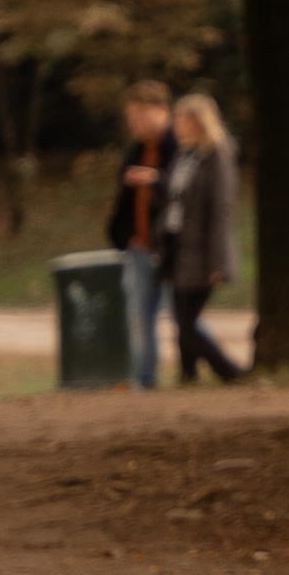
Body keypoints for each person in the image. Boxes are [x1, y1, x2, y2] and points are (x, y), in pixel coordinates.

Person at [161, 90, 244, 384]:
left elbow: (221, 210)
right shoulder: (184, 155)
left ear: (199, 122)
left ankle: (230, 371)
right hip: (178, 248)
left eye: (181, 120)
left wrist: (217, 262)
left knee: (186, 321)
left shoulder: (217, 155)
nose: (176, 126)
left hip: (202, 253)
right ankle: (188, 372)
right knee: (180, 317)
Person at [106, 80, 175, 392]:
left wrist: (157, 179)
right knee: (139, 317)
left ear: (162, 111)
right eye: (131, 117)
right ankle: (144, 380)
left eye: (142, 115)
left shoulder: (178, 145)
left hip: (172, 248)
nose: (136, 123)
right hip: (139, 248)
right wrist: (124, 237)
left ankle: (209, 369)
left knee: (182, 317)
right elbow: (123, 202)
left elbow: (187, 190)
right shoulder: (136, 150)